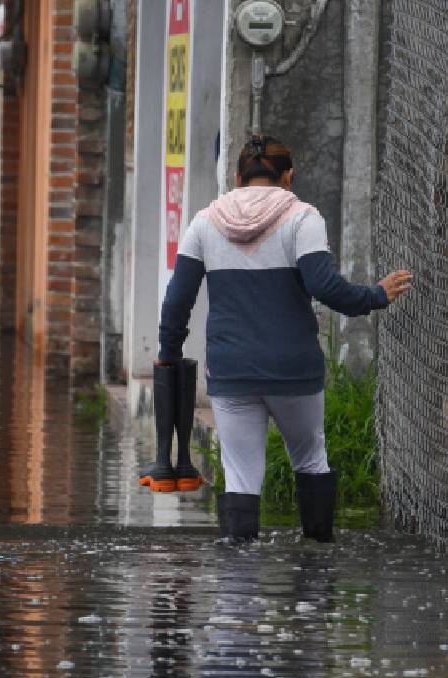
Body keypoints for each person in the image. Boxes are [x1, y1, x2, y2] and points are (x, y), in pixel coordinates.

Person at [155, 135, 412, 543]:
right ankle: (315, 580)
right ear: (288, 177)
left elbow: (176, 303)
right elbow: (325, 287)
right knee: (311, 460)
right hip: (294, 370)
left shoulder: (204, 222)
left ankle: (237, 590)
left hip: (231, 370)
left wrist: (168, 357)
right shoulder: (302, 219)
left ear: (237, 177)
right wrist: (376, 295)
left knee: (240, 476)